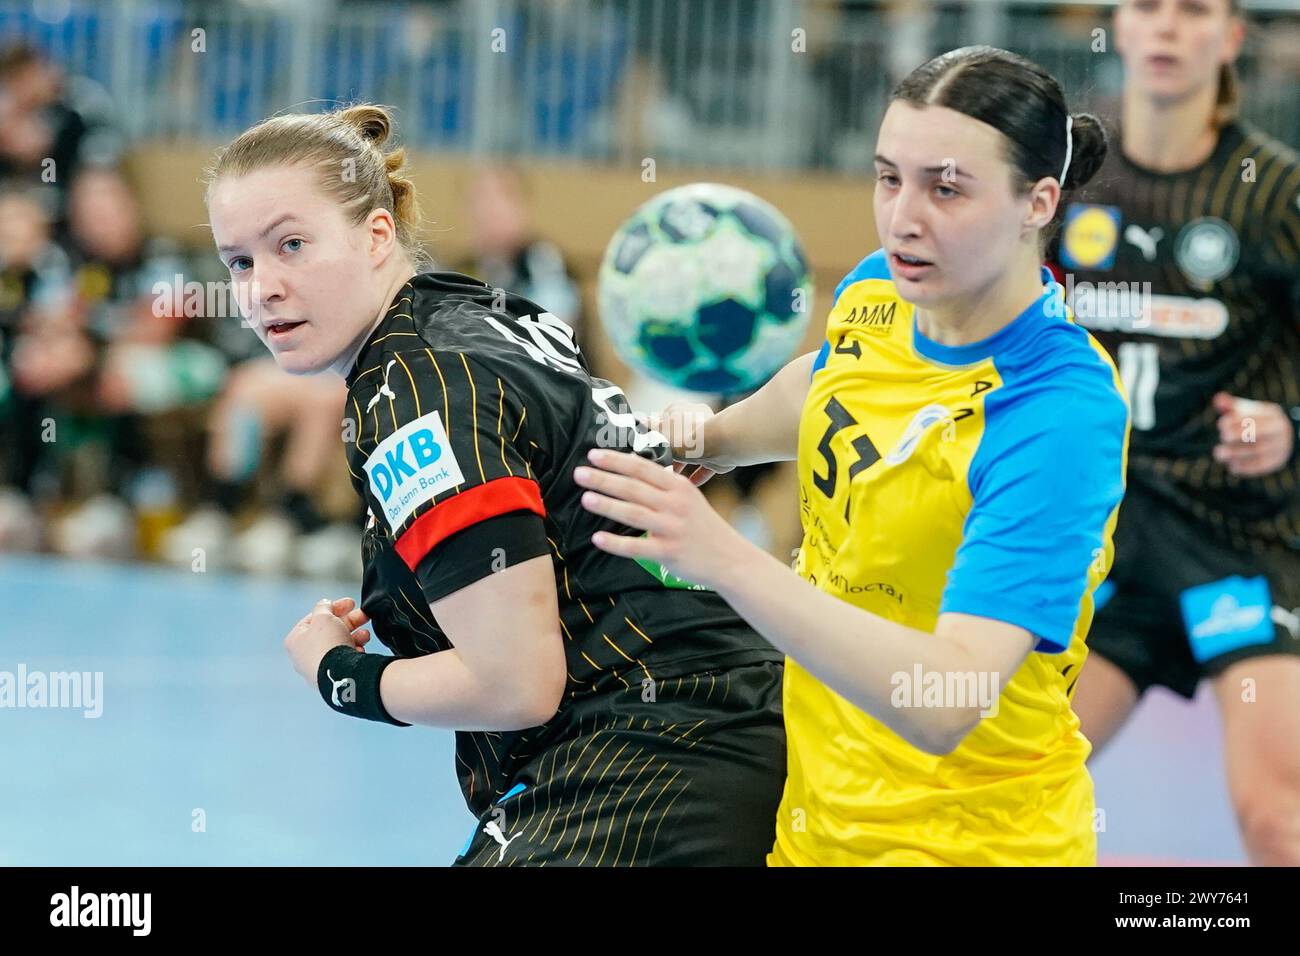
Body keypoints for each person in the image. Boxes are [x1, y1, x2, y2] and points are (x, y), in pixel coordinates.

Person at [576, 46, 1129, 865]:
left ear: (1036, 202)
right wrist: (711, 441)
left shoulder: (1057, 412)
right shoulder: (884, 290)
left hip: (966, 844)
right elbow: (832, 383)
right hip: (815, 824)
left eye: (946, 188)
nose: (904, 216)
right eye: (887, 177)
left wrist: (723, 555)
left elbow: (950, 696)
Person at [204, 104, 786, 866]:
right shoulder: (478, 312)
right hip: (708, 721)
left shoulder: (414, 393)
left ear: (377, 235)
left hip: (653, 754)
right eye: (240, 263)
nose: (262, 289)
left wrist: (340, 675)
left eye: (291, 245)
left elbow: (516, 683)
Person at [1053, 0, 1300, 865]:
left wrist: (1289, 430)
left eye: (1193, 10)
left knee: (1278, 819)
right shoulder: (1067, 182)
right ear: (1116, 28)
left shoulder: (1279, 195)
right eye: (1146, 8)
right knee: (1010, 785)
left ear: (1230, 38)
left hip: (1243, 543)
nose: (1166, 26)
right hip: (1107, 547)